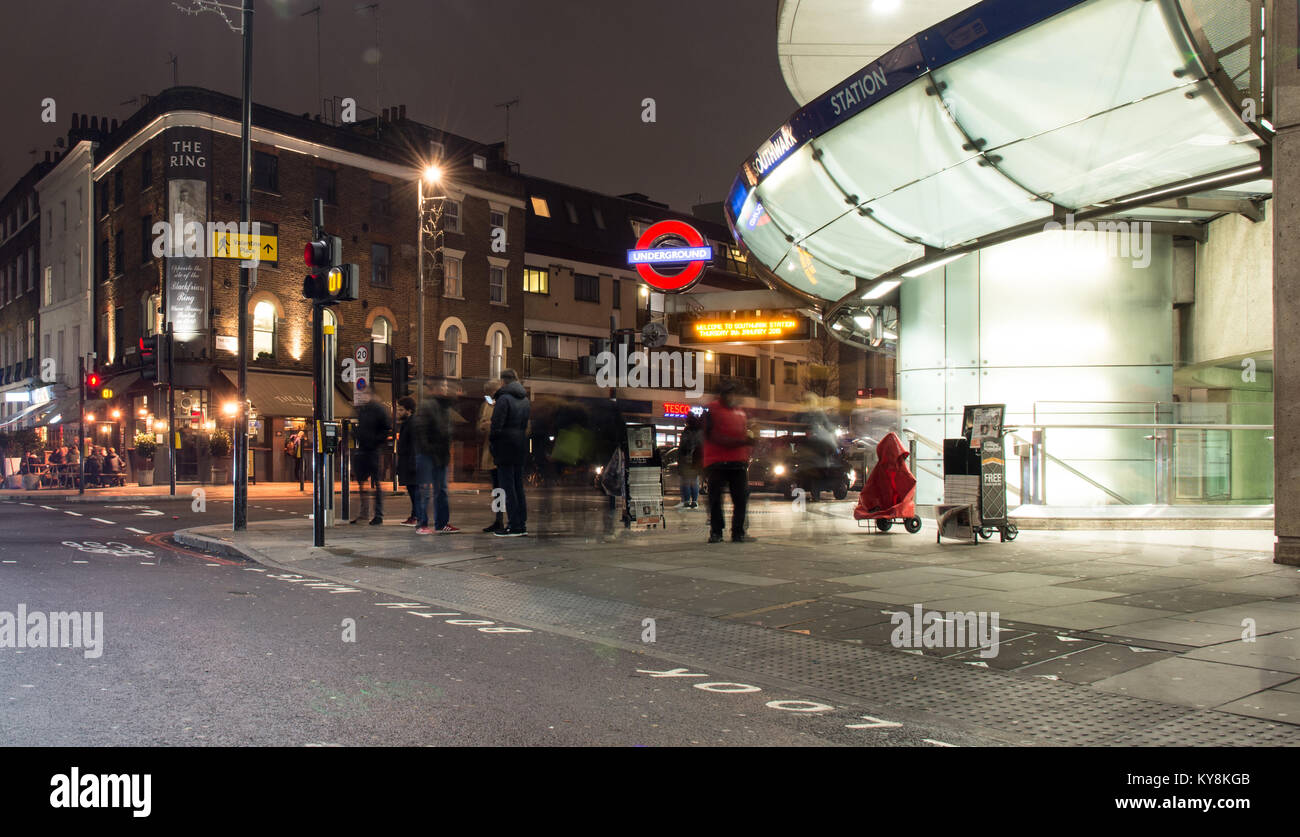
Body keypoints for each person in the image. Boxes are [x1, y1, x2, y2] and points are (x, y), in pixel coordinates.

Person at [702, 381, 754, 543]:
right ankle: (717, 531)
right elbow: (711, 435)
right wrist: (741, 442)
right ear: (723, 395)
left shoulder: (740, 413)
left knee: (740, 499)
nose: (733, 397)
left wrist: (748, 447)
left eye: (734, 394)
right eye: (729, 394)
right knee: (716, 499)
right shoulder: (712, 410)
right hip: (717, 462)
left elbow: (744, 434)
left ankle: (737, 531)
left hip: (737, 462)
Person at [411, 376, 457, 534]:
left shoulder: (446, 408)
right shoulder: (426, 405)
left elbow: (449, 430)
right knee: (425, 490)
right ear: (436, 389)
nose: (445, 390)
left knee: (441, 490)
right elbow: (421, 429)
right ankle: (422, 524)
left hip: (440, 454)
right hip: (427, 454)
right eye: (442, 387)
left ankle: (441, 523)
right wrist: (428, 448)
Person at [489, 368, 530, 537]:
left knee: (507, 487)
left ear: (503, 381)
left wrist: (493, 443)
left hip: (505, 446)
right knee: (518, 485)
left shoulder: (503, 399)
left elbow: (496, 425)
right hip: (520, 445)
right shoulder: (525, 399)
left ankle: (514, 525)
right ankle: (521, 522)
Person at [351, 392, 392, 525]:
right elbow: (359, 428)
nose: (363, 396)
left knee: (377, 484)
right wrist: (356, 434)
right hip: (362, 449)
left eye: (365, 394)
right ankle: (364, 514)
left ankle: (378, 515)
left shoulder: (379, 410)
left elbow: (386, 429)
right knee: (362, 483)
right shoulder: (362, 410)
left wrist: (375, 441)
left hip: (373, 450)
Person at [477, 380, 505, 533]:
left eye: (491, 393)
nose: (489, 396)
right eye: (487, 393)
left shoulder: (505, 403)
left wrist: (492, 426)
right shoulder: (486, 405)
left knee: (504, 487)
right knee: (497, 488)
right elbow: (479, 424)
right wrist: (482, 426)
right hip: (491, 451)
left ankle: (508, 520)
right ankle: (498, 519)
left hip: (502, 451)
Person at [394, 396, 420, 526]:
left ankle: (416, 516)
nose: (398, 412)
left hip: (411, 462)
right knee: (412, 490)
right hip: (408, 462)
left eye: (401, 410)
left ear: (409, 411)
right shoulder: (407, 423)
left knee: (414, 490)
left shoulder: (412, 423)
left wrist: (413, 463)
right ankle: (415, 515)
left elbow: (415, 444)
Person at [678, 412, 704, 509]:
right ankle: (694, 501)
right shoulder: (700, 431)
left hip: (687, 460)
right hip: (696, 461)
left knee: (686, 481)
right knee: (694, 481)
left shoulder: (687, 431)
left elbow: (684, 446)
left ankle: (686, 501)